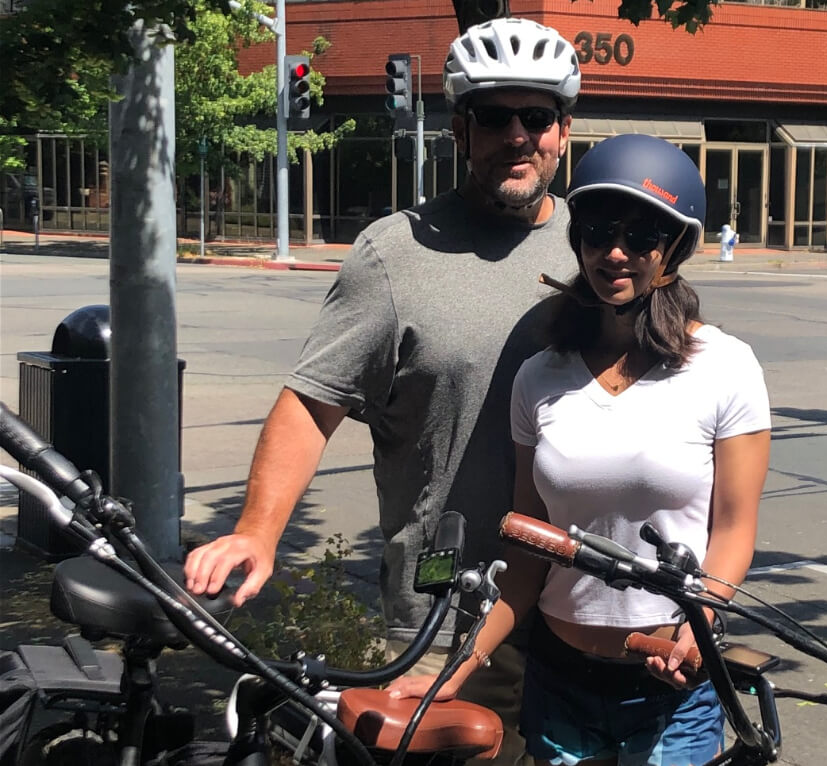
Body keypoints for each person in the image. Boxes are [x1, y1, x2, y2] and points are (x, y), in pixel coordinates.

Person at [183, 17, 581, 766]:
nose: (518, 136)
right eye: (496, 117)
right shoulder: (397, 253)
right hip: (450, 608)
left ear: (564, 128)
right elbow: (313, 400)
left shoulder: (601, 245)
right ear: (461, 128)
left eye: (537, 117)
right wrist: (258, 530)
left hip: (585, 612)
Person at [388, 134, 772, 766]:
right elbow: (526, 549)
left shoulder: (726, 367)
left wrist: (695, 620)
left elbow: (733, 532)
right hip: (559, 680)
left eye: (640, 234)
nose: (615, 252)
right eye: (597, 231)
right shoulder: (540, 375)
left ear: (674, 246)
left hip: (670, 692)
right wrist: (457, 667)